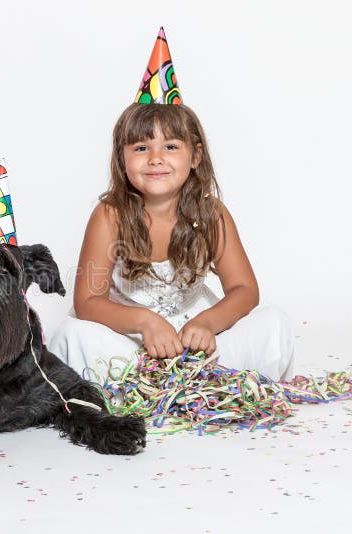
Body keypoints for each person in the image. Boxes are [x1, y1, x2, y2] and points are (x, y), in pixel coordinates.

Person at [49, 28, 295, 382]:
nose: (155, 158)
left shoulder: (211, 214)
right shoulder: (110, 215)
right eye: (140, 148)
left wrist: (208, 323)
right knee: (70, 337)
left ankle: (200, 386)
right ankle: (148, 389)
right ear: (122, 158)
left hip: (199, 343)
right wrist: (145, 322)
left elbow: (245, 291)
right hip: (131, 343)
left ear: (195, 155)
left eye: (170, 147)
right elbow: (89, 302)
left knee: (275, 323)